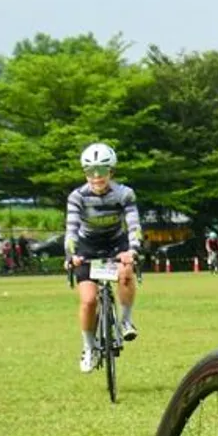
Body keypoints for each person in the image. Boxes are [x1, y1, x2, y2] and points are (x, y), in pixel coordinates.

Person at [65, 142, 142, 372]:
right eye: (90, 171)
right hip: (87, 249)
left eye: (102, 171)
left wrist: (133, 250)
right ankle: (89, 347)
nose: (96, 177)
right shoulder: (77, 196)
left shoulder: (124, 194)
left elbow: (134, 226)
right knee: (88, 301)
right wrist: (71, 255)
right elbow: (71, 229)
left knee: (126, 273)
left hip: (115, 246)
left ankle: (126, 320)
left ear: (111, 171)